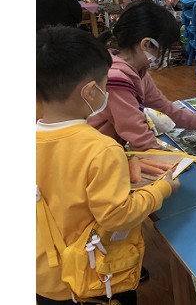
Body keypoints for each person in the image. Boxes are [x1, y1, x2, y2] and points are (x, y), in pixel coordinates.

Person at [36, 25, 180, 304]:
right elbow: (117, 216)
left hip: (44, 276)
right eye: (105, 86)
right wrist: (162, 189)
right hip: (91, 278)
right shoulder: (101, 148)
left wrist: (122, 166)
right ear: (90, 92)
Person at [87, 0, 196, 175]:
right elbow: (137, 133)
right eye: (166, 49)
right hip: (95, 158)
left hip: (110, 147)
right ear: (146, 44)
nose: (168, 55)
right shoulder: (117, 80)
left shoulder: (138, 71)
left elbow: (166, 108)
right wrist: (168, 161)